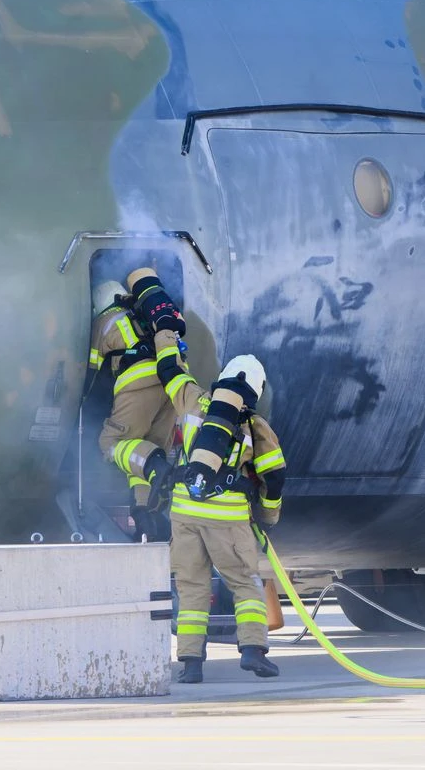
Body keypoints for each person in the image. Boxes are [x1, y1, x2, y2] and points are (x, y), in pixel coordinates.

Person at [118, 270, 287, 683]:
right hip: (228, 518)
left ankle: (191, 663)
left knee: (192, 589)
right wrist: (267, 518)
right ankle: (254, 652)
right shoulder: (255, 425)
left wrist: (164, 333)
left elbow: (169, 369)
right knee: (244, 585)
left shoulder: (193, 399)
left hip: (184, 512)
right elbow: (273, 477)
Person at [88, 275, 177, 540]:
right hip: (172, 379)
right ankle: (148, 514)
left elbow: (91, 371)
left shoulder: (103, 321)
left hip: (138, 381)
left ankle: (154, 463)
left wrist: (86, 403)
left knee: (112, 442)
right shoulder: (142, 315)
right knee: (145, 449)